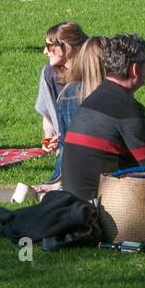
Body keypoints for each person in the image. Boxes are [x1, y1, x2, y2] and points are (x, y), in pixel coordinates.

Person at [59, 33, 145, 202]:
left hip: (75, 201)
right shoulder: (128, 108)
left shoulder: (92, 101)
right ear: (135, 69)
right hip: (105, 208)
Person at [40, 35, 108, 192]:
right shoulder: (114, 96)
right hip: (108, 177)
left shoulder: (66, 94)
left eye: (50, 46)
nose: (45, 51)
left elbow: (68, 144)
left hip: (74, 177)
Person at [35, 22, 88, 151]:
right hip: (67, 149)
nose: (45, 51)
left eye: (49, 46)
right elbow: (48, 112)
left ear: (67, 48)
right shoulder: (49, 73)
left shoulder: (93, 72)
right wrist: (48, 138)